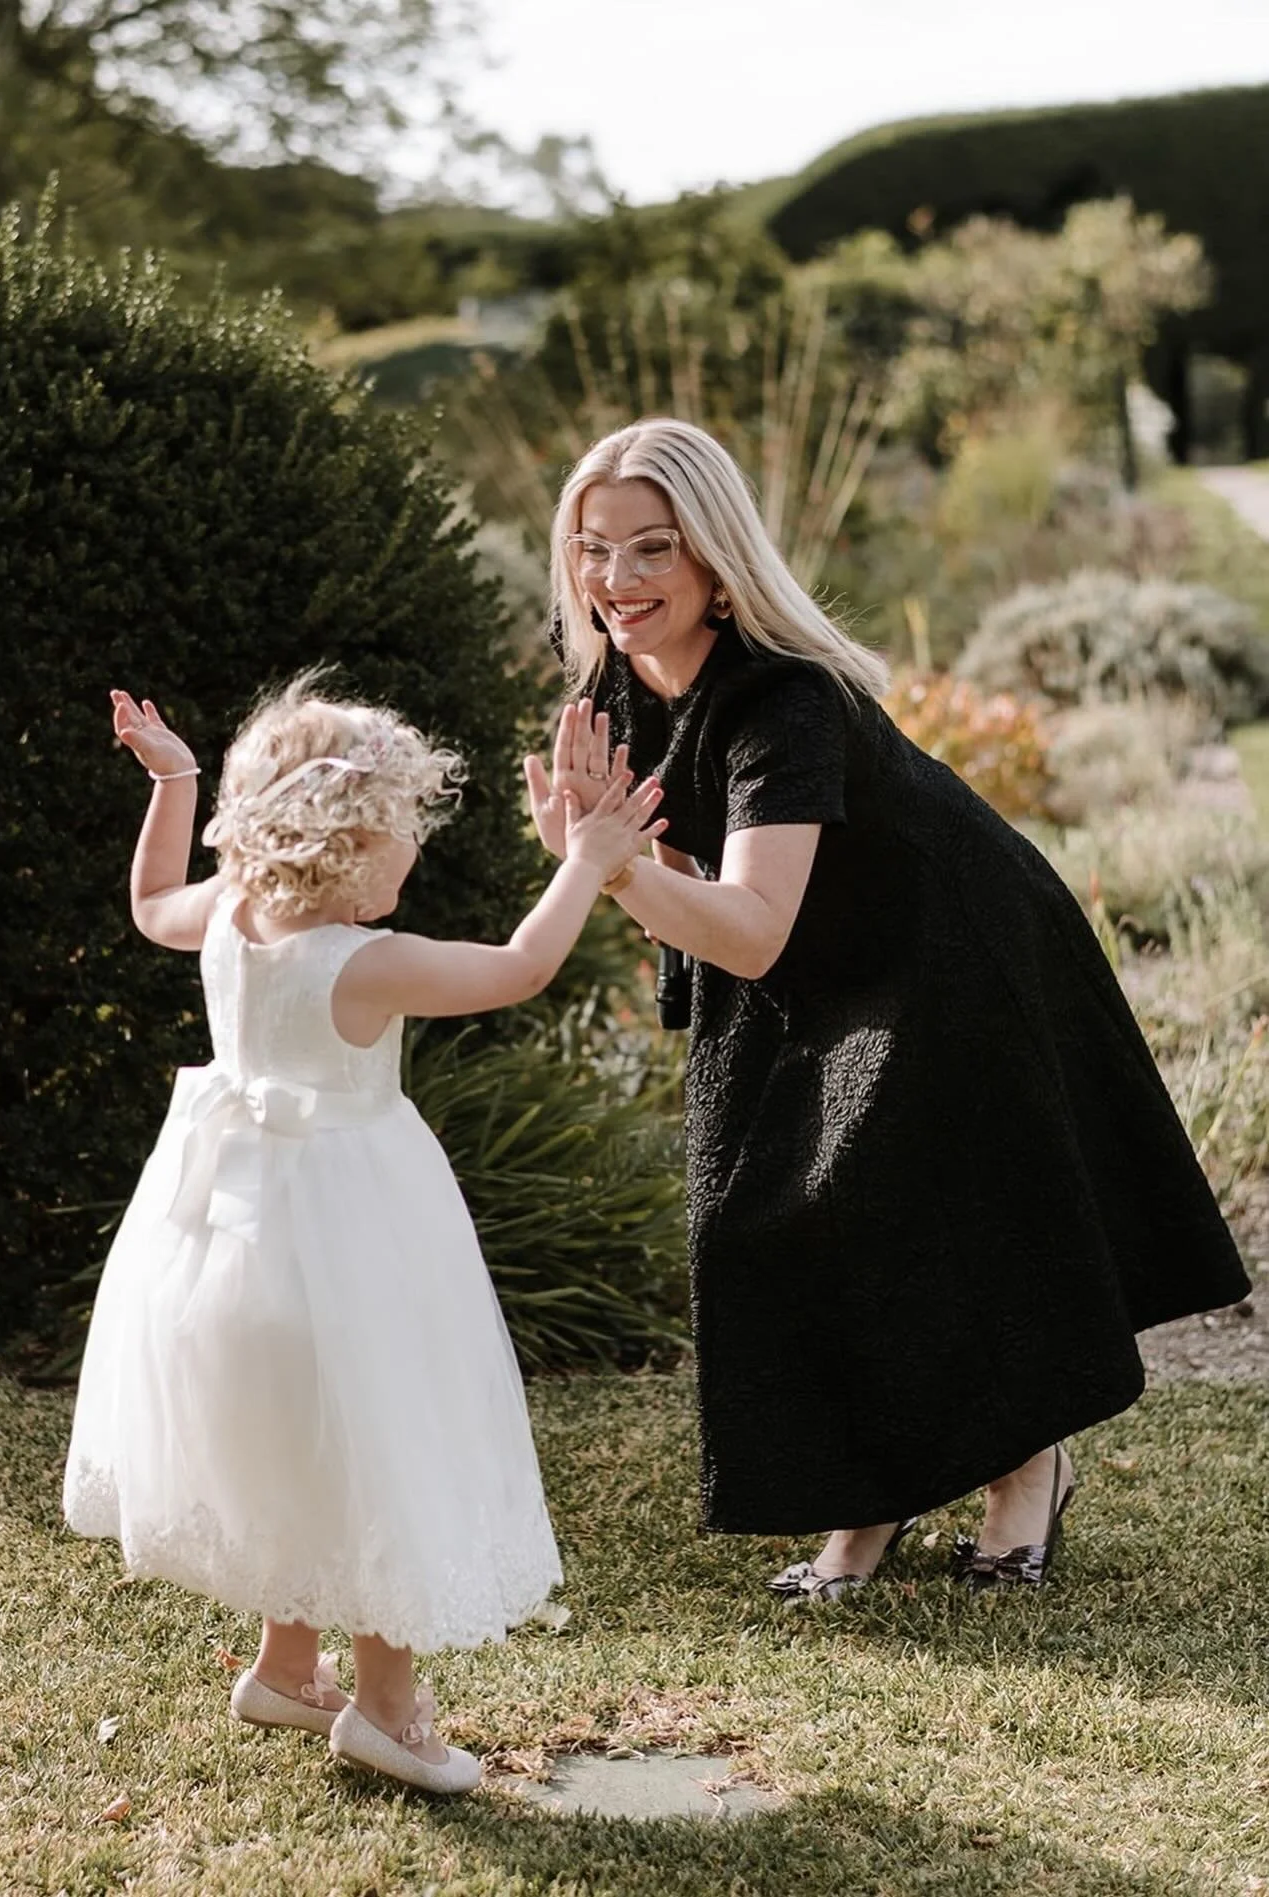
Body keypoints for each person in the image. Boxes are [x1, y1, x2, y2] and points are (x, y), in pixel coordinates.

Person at [526, 416, 1250, 1601]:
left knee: (946, 1215)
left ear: (715, 559)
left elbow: (745, 919)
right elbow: (701, 904)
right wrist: (603, 865)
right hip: (803, 958)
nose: (617, 580)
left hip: (949, 940)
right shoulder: (614, 692)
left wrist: (605, 868)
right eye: (594, 550)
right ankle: (861, 1502)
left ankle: (1029, 1474)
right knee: (764, 1215)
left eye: (652, 549)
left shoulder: (784, 702)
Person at [63, 671, 665, 1792]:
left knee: (301, 1436)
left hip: (228, 1237)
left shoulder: (228, 918)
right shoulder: (360, 961)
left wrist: (176, 783)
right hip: (351, 1234)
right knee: (380, 1445)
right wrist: (586, 860)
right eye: (400, 835)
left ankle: (288, 1669)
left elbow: (151, 901)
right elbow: (520, 968)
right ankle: (386, 1712)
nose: (412, 857)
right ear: (344, 845)